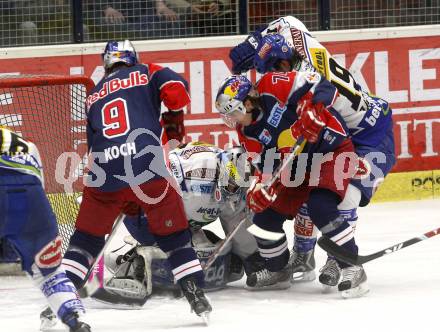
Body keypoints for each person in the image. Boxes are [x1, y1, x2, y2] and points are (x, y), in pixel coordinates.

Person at [230, 17, 396, 289]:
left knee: (342, 199)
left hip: (370, 135)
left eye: (270, 68)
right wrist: (255, 42)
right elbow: (286, 21)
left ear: (281, 64)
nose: (265, 77)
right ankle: (303, 257)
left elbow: (319, 90)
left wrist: (312, 109)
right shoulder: (300, 40)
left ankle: (341, 259)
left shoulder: (300, 78)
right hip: (349, 124)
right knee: (307, 193)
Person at [60, 40, 211, 319]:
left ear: (107, 63)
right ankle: (195, 294)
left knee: (85, 241)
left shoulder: (92, 95)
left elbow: (93, 146)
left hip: (103, 176)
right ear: (132, 58)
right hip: (147, 168)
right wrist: (174, 115)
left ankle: (61, 298)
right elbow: (177, 91)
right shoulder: (147, 71)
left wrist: (122, 194)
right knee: (175, 238)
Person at [215, 72, 370, 298]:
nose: (234, 120)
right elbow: (265, 168)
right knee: (263, 218)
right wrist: (262, 190)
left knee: (320, 207)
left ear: (248, 103)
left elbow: (323, 82)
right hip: (296, 166)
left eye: (235, 112)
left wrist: (313, 108)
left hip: (330, 150)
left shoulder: (271, 85)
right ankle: (279, 270)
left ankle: (352, 266)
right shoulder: (247, 133)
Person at [89, 142, 268, 306]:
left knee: (209, 252)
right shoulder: (193, 175)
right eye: (229, 184)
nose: (232, 191)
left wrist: (251, 256)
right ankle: (137, 265)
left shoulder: (234, 185)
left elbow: (235, 219)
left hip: (182, 221)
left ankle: (132, 259)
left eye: (236, 186)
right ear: (220, 172)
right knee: (177, 258)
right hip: (148, 210)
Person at [0, 126, 91, 332]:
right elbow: (38, 185)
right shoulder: (26, 144)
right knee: (49, 272)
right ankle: (75, 322)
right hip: (32, 201)